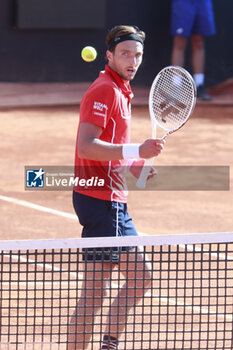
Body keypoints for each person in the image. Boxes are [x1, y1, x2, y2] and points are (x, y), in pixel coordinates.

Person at [68, 25, 165, 349]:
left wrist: (134, 165)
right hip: (102, 202)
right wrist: (138, 150)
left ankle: (107, 344)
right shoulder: (105, 90)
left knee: (116, 286)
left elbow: (109, 150)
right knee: (110, 288)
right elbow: (86, 146)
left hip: (106, 198)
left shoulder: (121, 89)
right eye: (125, 54)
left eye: (137, 55)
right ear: (109, 55)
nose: (132, 60)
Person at [171, 0, 216, 100]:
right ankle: (176, 87)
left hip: (202, 3)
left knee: (199, 41)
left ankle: (199, 85)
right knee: (180, 42)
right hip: (183, 3)